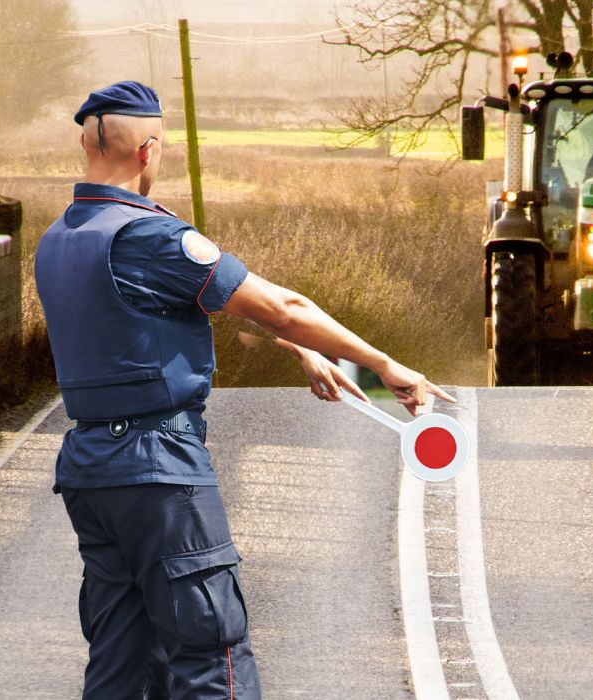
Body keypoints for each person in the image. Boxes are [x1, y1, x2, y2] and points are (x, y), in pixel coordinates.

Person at [34, 81, 455, 700]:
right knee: (210, 649)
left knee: (120, 655)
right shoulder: (149, 237)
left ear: (86, 144)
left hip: (90, 469)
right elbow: (281, 305)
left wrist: (304, 348)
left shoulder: (60, 240)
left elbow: (146, 325)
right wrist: (384, 365)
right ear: (148, 151)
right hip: (161, 469)